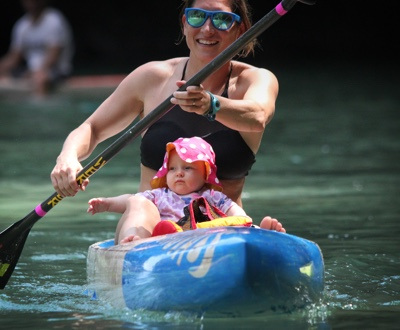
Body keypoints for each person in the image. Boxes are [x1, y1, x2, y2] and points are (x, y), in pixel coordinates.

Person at [51, 0, 279, 227]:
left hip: (218, 228)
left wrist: (211, 105)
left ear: (240, 30)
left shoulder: (255, 80)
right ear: (185, 25)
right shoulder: (151, 78)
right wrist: (68, 157)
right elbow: (92, 128)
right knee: (142, 210)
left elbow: (258, 116)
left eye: (222, 19)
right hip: (148, 230)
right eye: (197, 17)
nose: (208, 29)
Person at [87, 137, 285, 244]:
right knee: (144, 209)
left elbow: (235, 212)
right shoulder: (160, 195)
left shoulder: (211, 196)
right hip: (165, 242)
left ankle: (262, 234)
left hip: (203, 239)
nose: (178, 174)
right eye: (172, 169)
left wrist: (247, 224)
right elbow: (131, 200)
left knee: (238, 224)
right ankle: (140, 242)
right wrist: (108, 204)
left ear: (204, 174)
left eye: (187, 168)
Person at [0, 0, 74, 96]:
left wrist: (36, 72)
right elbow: (14, 57)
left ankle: (39, 107)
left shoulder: (54, 20)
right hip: (30, 71)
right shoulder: (22, 25)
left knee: (40, 78)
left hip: (55, 71)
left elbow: (54, 54)